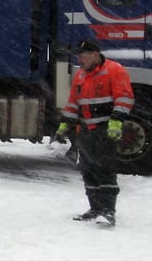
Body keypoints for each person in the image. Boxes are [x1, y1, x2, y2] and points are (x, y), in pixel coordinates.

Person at [54, 38, 135, 226]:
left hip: (104, 131)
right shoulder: (81, 76)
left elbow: (124, 98)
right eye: (79, 57)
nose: (80, 60)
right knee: (88, 169)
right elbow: (74, 103)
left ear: (94, 55)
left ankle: (108, 210)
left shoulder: (114, 70)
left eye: (82, 56)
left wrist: (116, 122)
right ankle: (95, 208)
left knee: (105, 169)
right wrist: (65, 125)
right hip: (85, 131)